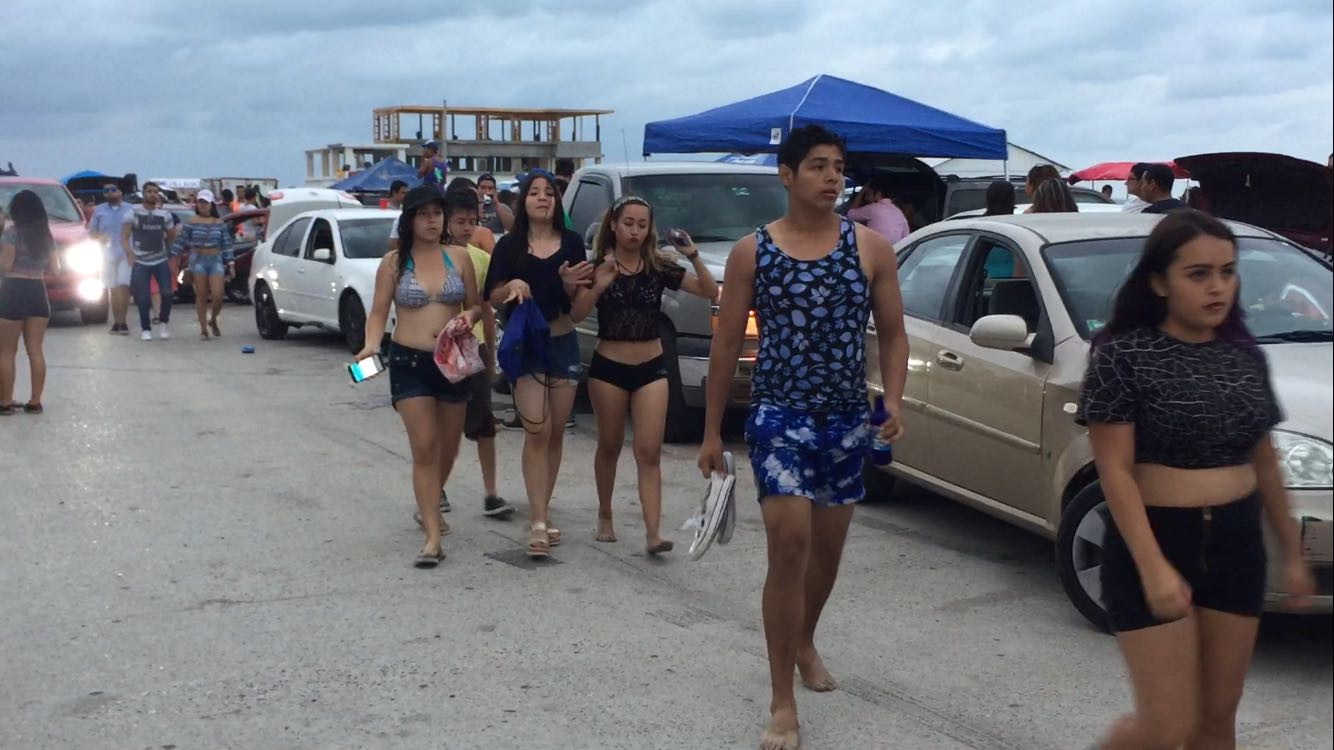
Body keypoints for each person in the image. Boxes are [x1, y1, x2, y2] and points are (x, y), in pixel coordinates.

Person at [698, 125, 907, 750]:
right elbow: (727, 343)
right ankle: (781, 701)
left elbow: (893, 334)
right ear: (787, 176)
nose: (832, 177)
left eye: (838, 167)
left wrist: (892, 398)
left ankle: (804, 639)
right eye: (818, 166)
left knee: (826, 553)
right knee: (788, 545)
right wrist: (711, 432)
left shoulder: (870, 249)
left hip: (846, 419)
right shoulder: (752, 253)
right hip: (778, 415)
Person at [1078, 210, 1315, 750]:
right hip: (1156, 541)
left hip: (1236, 546)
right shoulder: (1121, 356)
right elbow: (1114, 469)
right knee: (1167, 727)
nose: (1218, 287)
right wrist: (1154, 566)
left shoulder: (1244, 357)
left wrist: (1292, 552)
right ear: (1159, 281)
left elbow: (1264, 461)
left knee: (1214, 723)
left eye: (1227, 272)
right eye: (1198, 273)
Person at [571, 196, 717, 553]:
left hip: (651, 367)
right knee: (609, 444)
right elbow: (576, 314)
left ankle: (653, 531)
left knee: (649, 451)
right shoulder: (596, 267)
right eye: (628, 223)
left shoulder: (658, 266)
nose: (635, 230)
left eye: (642, 224)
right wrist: (600, 285)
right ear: (614, 226)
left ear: (649, 229)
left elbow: (709, 291)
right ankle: (605, 513)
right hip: (609, 367)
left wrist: (694, 255)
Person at [357, 186, 482, 568]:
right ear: (410, 219)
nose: (432, 221)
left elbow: (476, 304)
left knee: (448, 447)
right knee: (424, 447)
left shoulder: (459, 257)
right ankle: (432, 536)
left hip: (452, 361)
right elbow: (379, 311)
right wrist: (370, 344)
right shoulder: (394, 263)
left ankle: (430, 498)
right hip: (409, 361)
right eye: (423, 214)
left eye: (437, 213)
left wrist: (469, 317)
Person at [484, 169, 593, 558]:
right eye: (535, 192)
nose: (543, 198)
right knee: (536, 430)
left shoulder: (573, 243)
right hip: (527, 345)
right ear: (523, 200)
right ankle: (538, 524)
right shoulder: (509, 247)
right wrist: (512, 286)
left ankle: (542, 513)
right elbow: (492, 296)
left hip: (563, 341)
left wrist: (567, 283)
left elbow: (577, 307)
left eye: (549, 193)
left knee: (556, 433)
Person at [434, 187, 515, 519]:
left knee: (484, 423)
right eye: (460, 221)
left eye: (472, 221)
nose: (466, 228)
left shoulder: (481, 259)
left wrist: (492, 354)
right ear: (446, 221)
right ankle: (436, 489)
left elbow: (485, 308)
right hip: (440, 349)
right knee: (443, 426)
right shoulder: (431, 258)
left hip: (475, 347)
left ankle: (491, 492)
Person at [0, 190, 55, 415]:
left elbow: (5, 265)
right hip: (37, 290)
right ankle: (35, 401)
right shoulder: (46, 236)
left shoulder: (11, 234)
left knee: (6, 351)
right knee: (35, 350)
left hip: (13, 289)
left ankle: (5, 401)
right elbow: (56, 268)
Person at [172, 190, 234, 340]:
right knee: (201, 295)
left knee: (218, 295)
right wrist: (173, 257)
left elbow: (226, 244)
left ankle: (213, 319)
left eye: (205, 202)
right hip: (198, 260)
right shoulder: (191, 222)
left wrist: (230, 262)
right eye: (200, 202)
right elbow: (181, 241)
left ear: (211, 204)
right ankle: (203, 328)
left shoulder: (219, 223)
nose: (202, 205)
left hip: (215, 260)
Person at [120, 182, 178, 341]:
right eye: (149, 191)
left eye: (155, 192)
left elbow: (172, 234)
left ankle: (164, 322)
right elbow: (124, 237)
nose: (152, 194)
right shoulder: (132, 212)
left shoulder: (165, 215)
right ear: (143, 193)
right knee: (143, 297)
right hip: (141, 262)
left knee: (167, 293)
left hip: (160, 260)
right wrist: (129, 253)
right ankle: (145, 328)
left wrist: (169, 249)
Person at [89, 182, 135, 334]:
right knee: (113, 289)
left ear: (121, 192)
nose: (109, 192)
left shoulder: (131, 209)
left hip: (126, 254)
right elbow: (91, 232)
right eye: (106, 190)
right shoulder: (99, 210)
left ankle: (124, 320)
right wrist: (99, 237)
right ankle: (118, 322)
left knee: (124, 286)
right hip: (107, 255)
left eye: (113, 190)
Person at [846, 175, 910, 244]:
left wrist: (861, 192)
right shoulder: (899, 212)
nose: (865, 198)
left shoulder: (873, 208)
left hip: (873, 250)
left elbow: (850, 215)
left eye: (868, 194)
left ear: (878, 195)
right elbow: (906, 238)